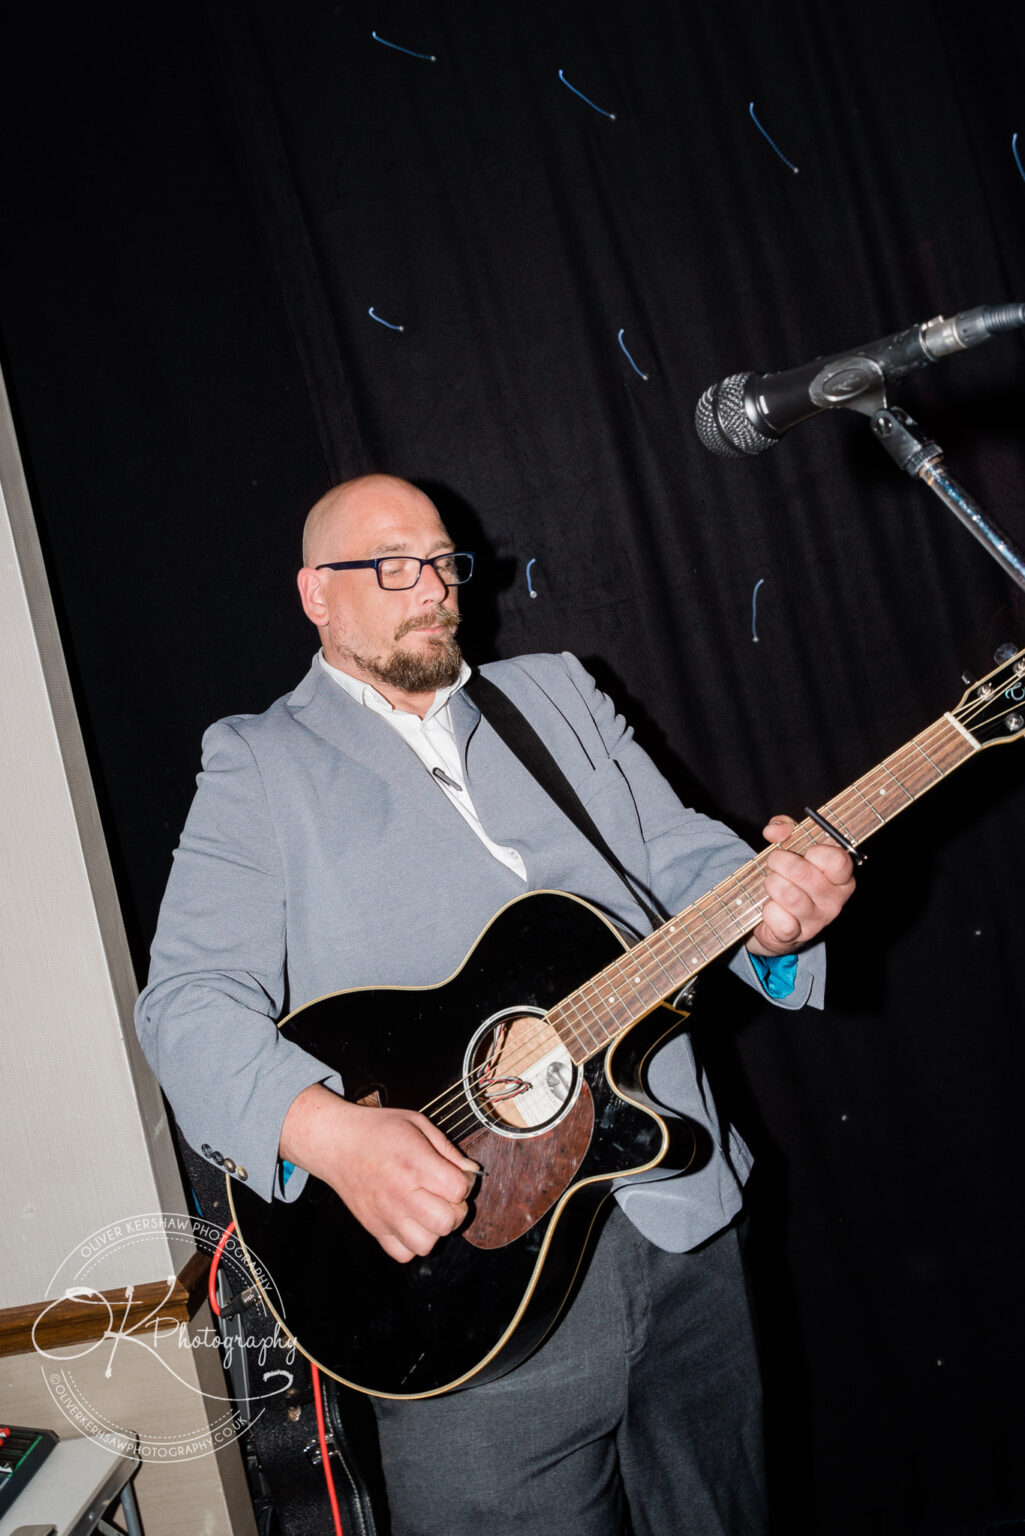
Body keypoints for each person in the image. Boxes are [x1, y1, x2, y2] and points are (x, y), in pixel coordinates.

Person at [136, 474, 855, 1536]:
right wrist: (327, 1133)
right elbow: (186, 1004)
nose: (427, 587)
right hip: (465, 1285)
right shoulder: (259, 762)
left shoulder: (555, 692)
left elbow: (676, 849)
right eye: (387, 566)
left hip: (676, 1214)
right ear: (314, 597)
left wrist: (770, 915)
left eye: (440, 561)